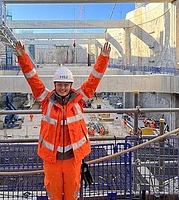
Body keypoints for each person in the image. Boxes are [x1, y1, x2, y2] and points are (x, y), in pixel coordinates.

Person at [15, 41, 111, 200]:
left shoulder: (79, 100)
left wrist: (104, 58)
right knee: (54, 194)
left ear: (71, 85)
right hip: (52, 160)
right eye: (60, 85)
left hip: (73, 160)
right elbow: (32, 78)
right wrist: (23, 57)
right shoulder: (46, 100)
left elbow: (94, 80)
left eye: (66, 85)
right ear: (55, 85)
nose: (63, 88)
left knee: (72, 195)